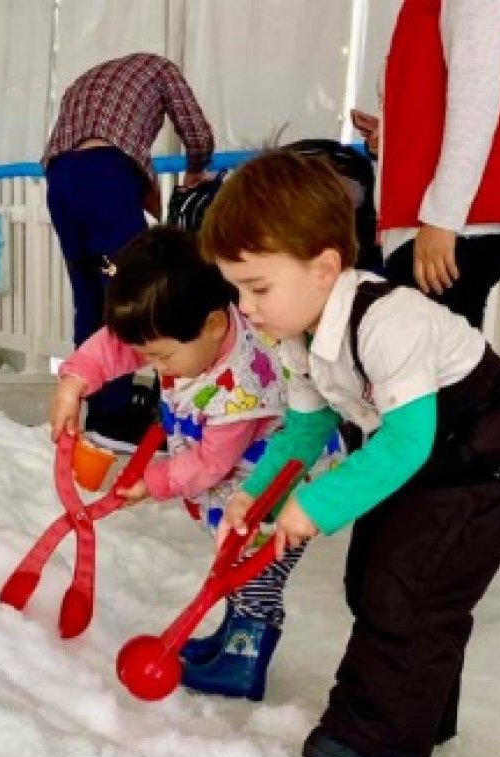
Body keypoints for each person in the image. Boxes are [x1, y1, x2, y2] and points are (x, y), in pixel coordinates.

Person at [202, 150, 500, 757]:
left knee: (410, 584)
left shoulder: (390, 321)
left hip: (481, 442)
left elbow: (409, 442)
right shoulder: (300, 338)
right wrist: (256, 499)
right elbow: (302, 433)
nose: (245, 308)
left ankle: (377, 733)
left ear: (325, 267)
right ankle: (423, 710)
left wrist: (317, 503)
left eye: (258, 288)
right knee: (372, 578)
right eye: (236, 289)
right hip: (411, 445)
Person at [49, 226, 339, 702]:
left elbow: (209, 464)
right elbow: (117, 346)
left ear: (212, 326)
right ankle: (230, 639)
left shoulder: (238, 386)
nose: (153, 366)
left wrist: (151, 481)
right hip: (240, 485)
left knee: (253, 571)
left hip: (278, 489)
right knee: (232, 562)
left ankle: (244, 661)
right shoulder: (185, 329)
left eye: (160, 356)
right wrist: (75, 381)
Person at [350, 0, 500, 330]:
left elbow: (476, 98)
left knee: (433, 366)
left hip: (451, 225)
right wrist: (390, 133)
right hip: (442, 223)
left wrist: (443, 217)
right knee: (438, 362)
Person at [42, 53, 214, 451]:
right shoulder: (160, 69)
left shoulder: (85, 77)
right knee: (139, 291)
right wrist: (195, 169)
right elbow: (196, 131)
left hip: (58, 178)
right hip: (104, 172)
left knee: (90, 296)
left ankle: (95, 405)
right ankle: (121, 419)